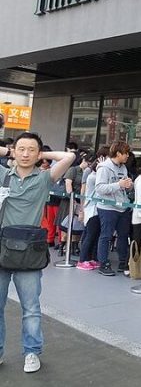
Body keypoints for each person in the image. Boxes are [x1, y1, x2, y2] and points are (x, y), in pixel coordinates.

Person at [0, 132, 75, 373]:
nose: (25, 154)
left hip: (29, 253)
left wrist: (43, 154)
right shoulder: (3, 176)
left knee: (31, 308)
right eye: (21, 149)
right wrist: (8, 151)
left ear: (39, 154)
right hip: (1, 249)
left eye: (31, 150)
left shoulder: (44, 179)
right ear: (14, 151)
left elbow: (69, 156)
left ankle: (32, 352)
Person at [94, 141, 133, 277]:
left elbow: (123, 185)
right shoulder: (104, 167)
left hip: (122, 206)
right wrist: (118, 184)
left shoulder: (123, 168)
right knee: (106, 235)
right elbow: (99, 188)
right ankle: (103, 263)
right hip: (107, 207)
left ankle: (123, 261)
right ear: (118, 153)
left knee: (123, 236)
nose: (128, 156)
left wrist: (128, 185)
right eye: (126, 153)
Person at [76, 148, 108, 270]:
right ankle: (82, 259)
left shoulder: (93, 175)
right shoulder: (93, 176)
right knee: (90, 235)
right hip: (92, 208)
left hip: (95, 208)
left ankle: (90, 258)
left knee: (94, 235)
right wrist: (82, 210)